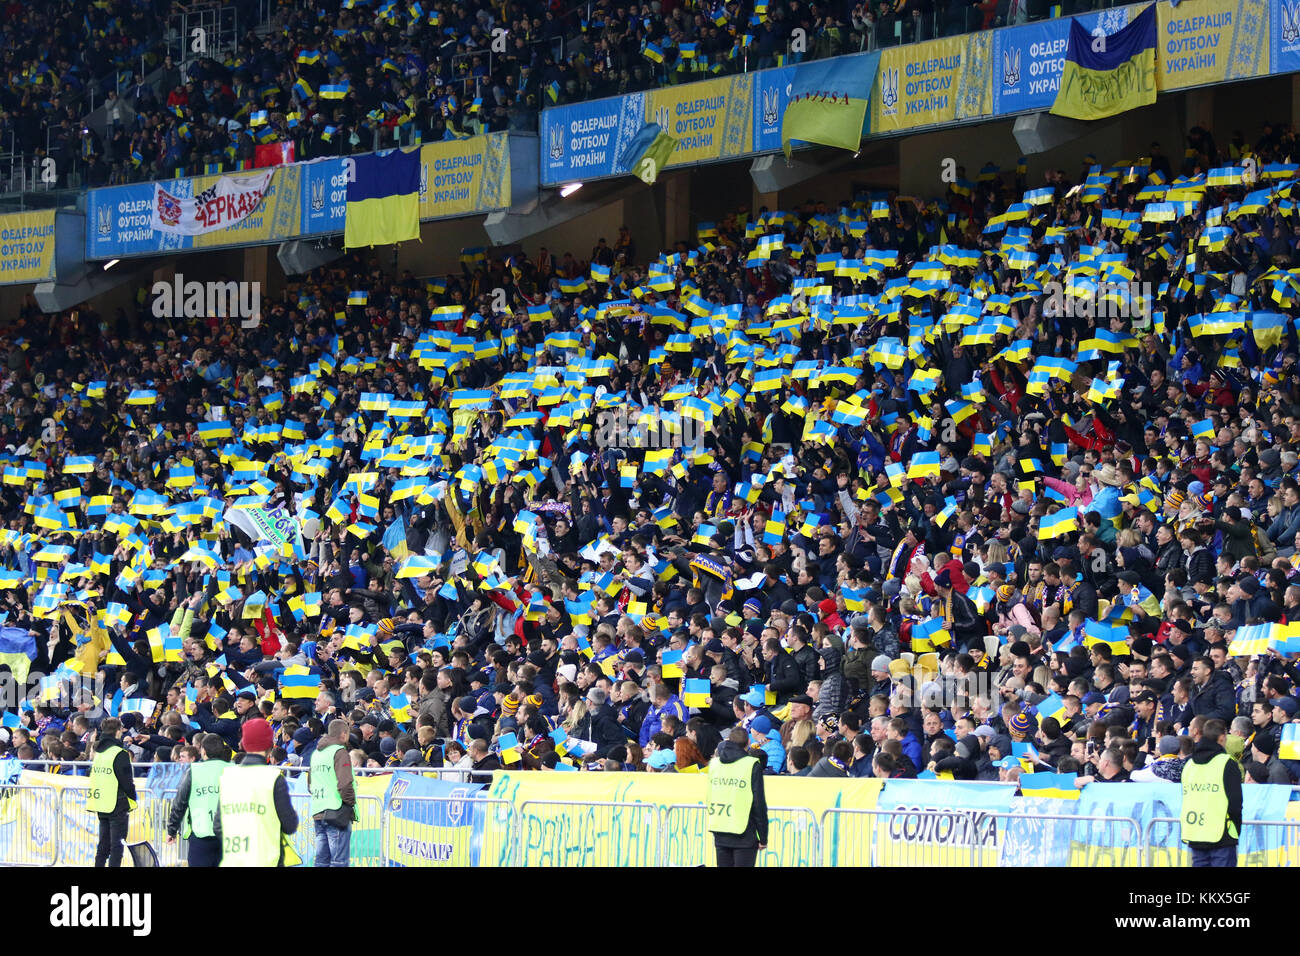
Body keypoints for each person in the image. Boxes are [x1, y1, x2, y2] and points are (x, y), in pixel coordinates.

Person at [217, 718, 300, 866]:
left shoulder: (227, 777)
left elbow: (218, 826)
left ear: (243, 743)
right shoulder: (273, 778)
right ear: (269, 746)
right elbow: (289, 825)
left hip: (234, 860)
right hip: (266, 860)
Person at [1180, 718, 1243, 867]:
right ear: (1222, 737)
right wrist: (1236, 828)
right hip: (1222, 834)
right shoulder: (1227, 763)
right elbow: (1235, 802)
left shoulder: (1189, 764)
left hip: (1196, 833)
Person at [705, 726, 768, 867]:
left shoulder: (714, 764)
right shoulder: (751, 764)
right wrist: (763, 836)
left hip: (720, 827)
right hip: (744, 831)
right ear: (747, 744)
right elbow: (758, 803)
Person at [166, 734, 232, 866]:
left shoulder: (194, 770)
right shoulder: (235, 769)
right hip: (231, 835)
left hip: (201, 833)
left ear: (203, 751)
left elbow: (180, 802)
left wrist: (172, 830)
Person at [87, 717, 137, 868]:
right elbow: (126, 780)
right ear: (118, 732)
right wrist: (132, 797)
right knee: (117, 846)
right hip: (117, 802)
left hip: (101, 802)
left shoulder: (99, 752)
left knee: (103, 845)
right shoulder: (120, 753)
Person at [309, 718, 357, 866]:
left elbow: (310, 784)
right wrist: (349, 805)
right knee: (339, 862)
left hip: (318, 811)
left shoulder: (316, 754)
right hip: (337, 812)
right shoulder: (340, 752)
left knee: (322, 861)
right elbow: (345, 783)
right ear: (343, 734)